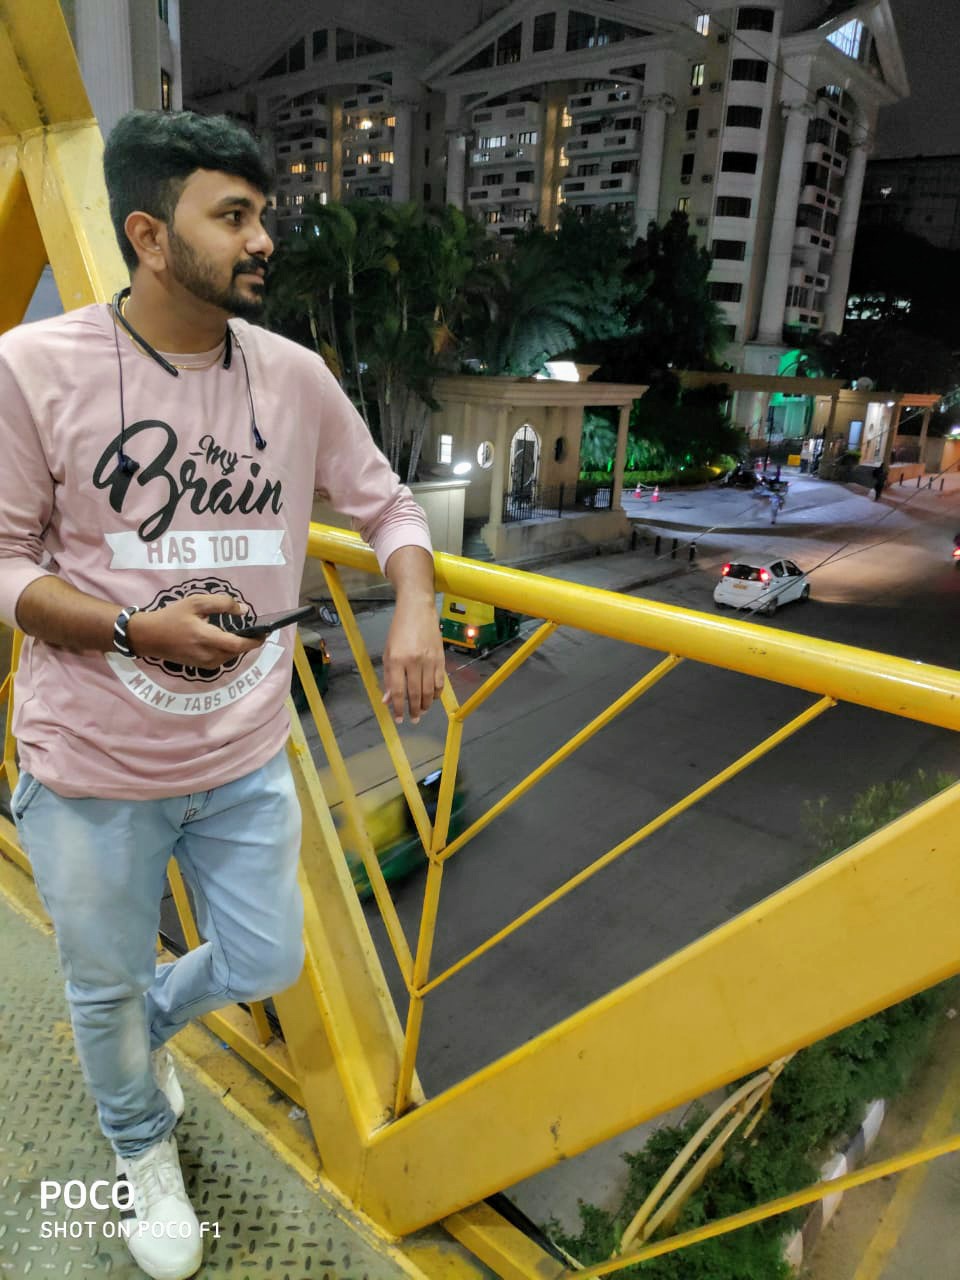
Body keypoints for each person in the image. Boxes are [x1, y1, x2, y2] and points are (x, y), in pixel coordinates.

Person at [0, 111, 445, 1280]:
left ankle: (140, 1022)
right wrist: (130, 628)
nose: (263, 240)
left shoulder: (294, 376)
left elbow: (389, 504)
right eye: (233, 216)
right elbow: (1, 560)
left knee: (262, 961)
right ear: (150, 234)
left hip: (245, 759)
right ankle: (138, 1141)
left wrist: (413, 600)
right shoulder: (32, 367)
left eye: (264, 215)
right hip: (90, 768)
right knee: (100, 987)